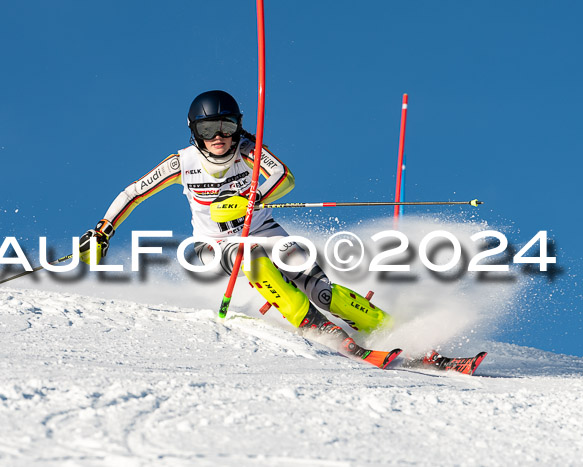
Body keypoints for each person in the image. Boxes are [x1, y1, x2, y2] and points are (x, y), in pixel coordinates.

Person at [78, 90, 397, 367]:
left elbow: (284, 177)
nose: (218, 137)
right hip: (214, 245)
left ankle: (387, 326)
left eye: (226, 126)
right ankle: (320, 329)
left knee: (320, 289)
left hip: (264, 230)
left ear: (238, 126)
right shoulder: (182, 163)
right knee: (255, 260)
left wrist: (251, 196)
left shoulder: (249, 151)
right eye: (207, 129)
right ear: (195, 132)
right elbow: (133, 193)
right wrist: (104, 230)